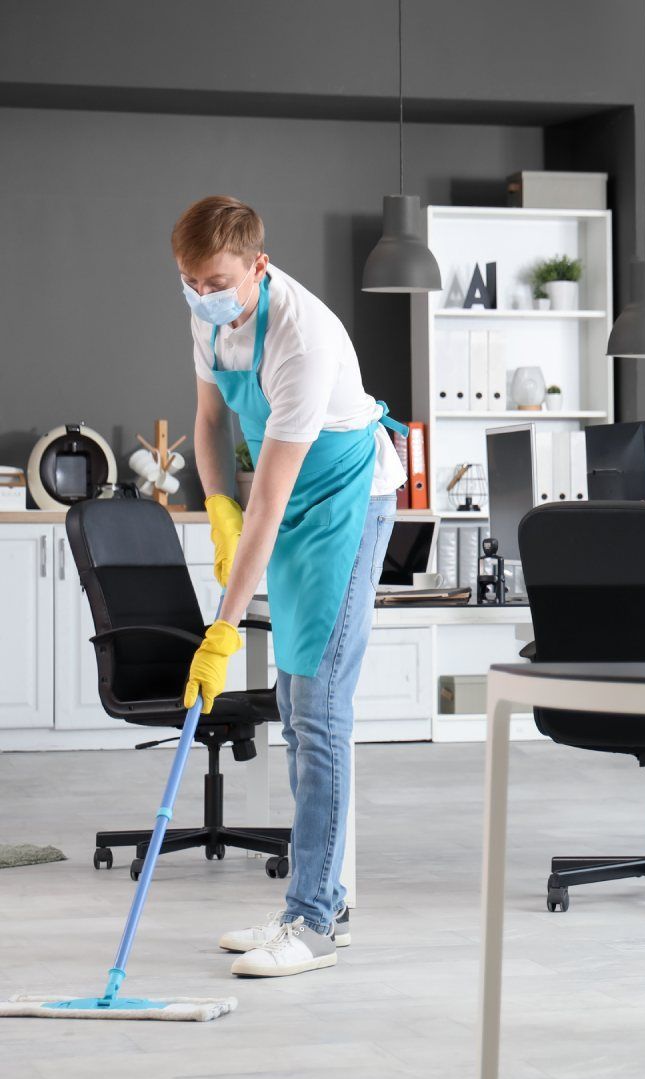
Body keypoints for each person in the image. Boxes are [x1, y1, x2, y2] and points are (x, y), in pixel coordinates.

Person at [174, 196, 408, 978]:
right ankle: (321, 904)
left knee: (320, 705)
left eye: (214, 279)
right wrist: (214, 507)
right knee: (297, 705)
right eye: (188, 278)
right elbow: (209, 424)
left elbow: (269, 501)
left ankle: (310, 921)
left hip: (344, 499)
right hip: (292, 498)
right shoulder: (209, 315)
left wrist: (224, 628)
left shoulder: (300, 338)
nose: (200, 291)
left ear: (257, 267)